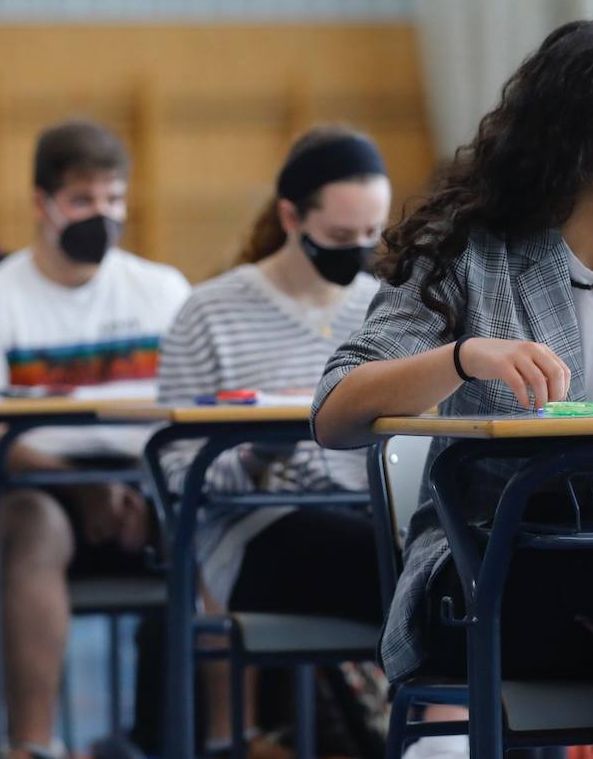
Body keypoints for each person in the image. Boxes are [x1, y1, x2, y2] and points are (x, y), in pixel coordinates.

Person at [312, 20, 593, 758]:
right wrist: (464, 357)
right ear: (574, 132)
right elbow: (336, 412)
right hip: (488, 573)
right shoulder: (469, 249)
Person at [0, 119, 191, 759]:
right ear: (40, 203)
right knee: (34, 526)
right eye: (83, 201)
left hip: (146, 479)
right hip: (32, 485)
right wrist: (78, 490)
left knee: (214, 526)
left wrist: (149, 485)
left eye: (113, 200)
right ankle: (33, 745)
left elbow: (193, 414)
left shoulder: (162, 291)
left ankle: (212, 740)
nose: (100, 216)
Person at [157, 126, 391, 755]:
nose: (360, 252)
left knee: (454, 559)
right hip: (255, 531)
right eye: (342, 238)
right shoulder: (209, 312)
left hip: (368, 518)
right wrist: (261, 451)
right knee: (428, 573)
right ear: (291, 217)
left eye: (374, 236)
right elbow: (176, 477)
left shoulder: (388, 308)